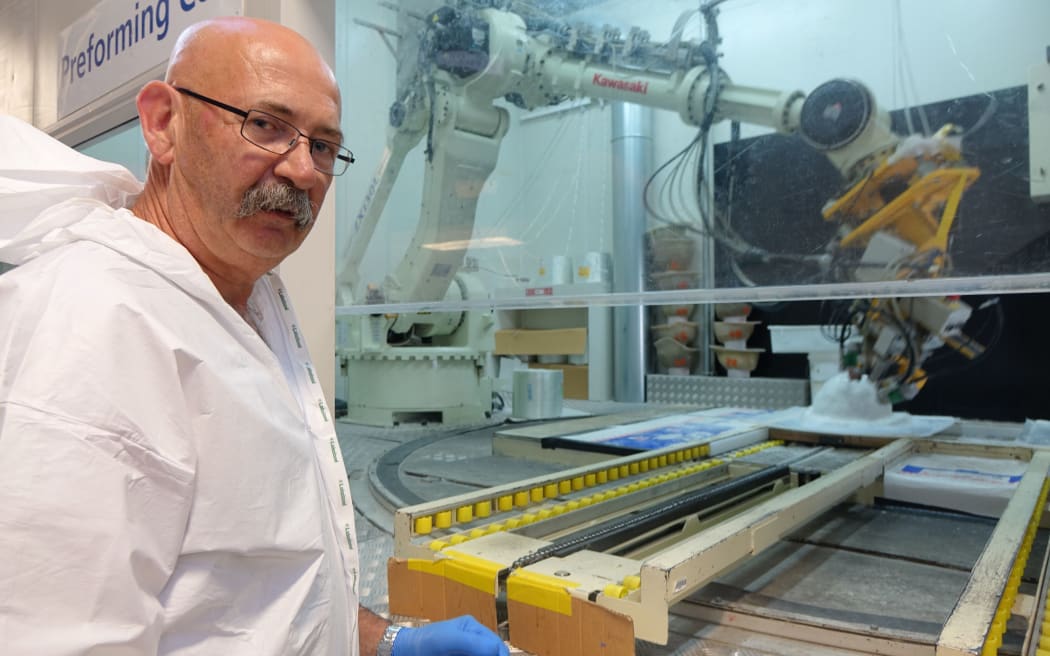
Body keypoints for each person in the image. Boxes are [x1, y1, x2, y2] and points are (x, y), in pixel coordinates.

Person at [0, 16, 508, 656]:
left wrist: (383, 640)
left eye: (323, 146)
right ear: (163, 125)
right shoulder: (90, 325)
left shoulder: (251, 296)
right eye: (265, 126)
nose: (302, 170)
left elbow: (254, 584)